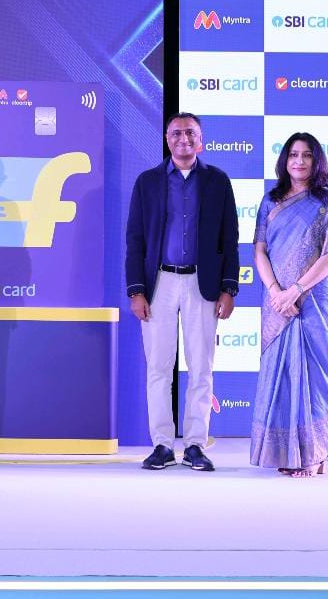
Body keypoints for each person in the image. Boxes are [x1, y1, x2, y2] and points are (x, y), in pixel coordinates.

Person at [250, 132, 328, 478]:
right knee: (283, 374)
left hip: (316, 298)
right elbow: (259, 251)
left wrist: (296, 290)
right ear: (284, 161)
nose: (299, 161)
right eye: (293, 155)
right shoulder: (270, 201)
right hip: (277, 301)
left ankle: (316, 455)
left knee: (318, 373)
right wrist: (277, 291)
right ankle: (287, 453)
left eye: (306, 155)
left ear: (317, 161)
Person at [126, 112, 239, 472]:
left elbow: (229, 239)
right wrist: (136, 290)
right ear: (167, 139)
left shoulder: (218, 181)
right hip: (159, 283)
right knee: (159, 367)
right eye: (176, 133)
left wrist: (228, 288)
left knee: (201, 368)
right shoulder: (148, 182)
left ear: (201, 140)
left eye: (190, 133)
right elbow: (135, 240)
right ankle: (161, 444)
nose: (183, 138)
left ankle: (194, 445)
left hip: (202, 285)